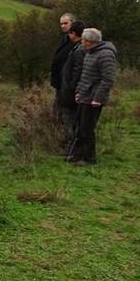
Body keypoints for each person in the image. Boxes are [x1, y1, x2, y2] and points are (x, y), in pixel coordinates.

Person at [71, 28, 117, 166]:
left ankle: (89, 158)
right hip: (84, 95)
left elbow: (107, 79)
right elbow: (85, 76)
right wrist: (79, 91)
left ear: (91, 41)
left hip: (94, 98)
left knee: (87, 129)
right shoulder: (90, 53)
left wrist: (98, 98)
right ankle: (77, 155)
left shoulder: (106, 55)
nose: (82, 42)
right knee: (79, 126)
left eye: (84, 40)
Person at [57, 19, 86, 153]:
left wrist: (71, 87)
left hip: (71, 92)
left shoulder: (79, 49)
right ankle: (70, 147)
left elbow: (78, 71)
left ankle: (71, 149)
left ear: (73, 33)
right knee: (70, 120)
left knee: (71, 121)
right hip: (70, 90)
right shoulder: (77, 47)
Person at [50, 12, 76, 101]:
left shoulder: (79, 42)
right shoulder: (64, 39)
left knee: (67, 111)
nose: (63, 26)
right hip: (59, 83)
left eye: (66, 23)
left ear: (73, 23)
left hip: (68, 85)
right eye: (61, 24)